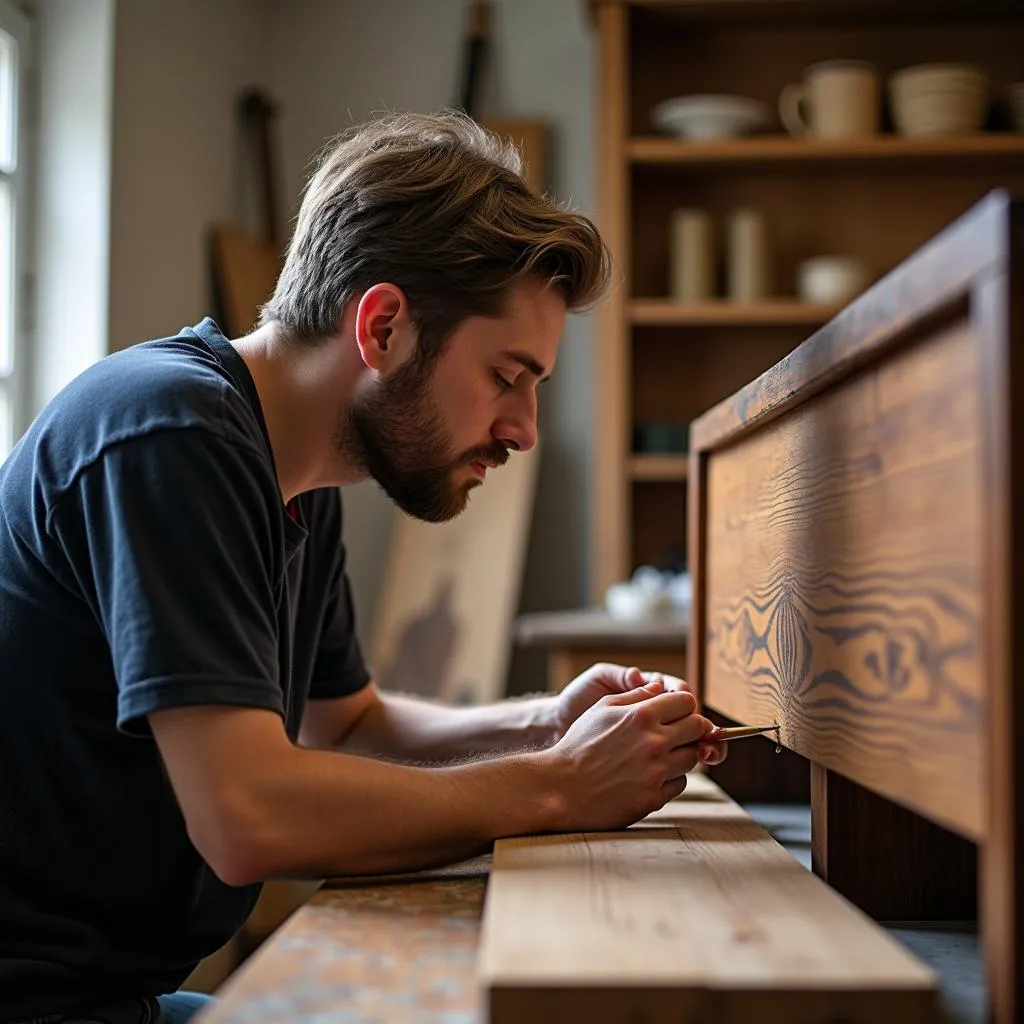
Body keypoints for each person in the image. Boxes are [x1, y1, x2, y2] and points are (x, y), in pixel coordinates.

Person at [0, 111, 725, 1024]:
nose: (525, 430)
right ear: (382, 326)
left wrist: (547, 722)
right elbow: (248, 818)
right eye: (507, 376)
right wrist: (560, 784)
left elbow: (347, 727)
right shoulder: (170, 430)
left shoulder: (297, 479)